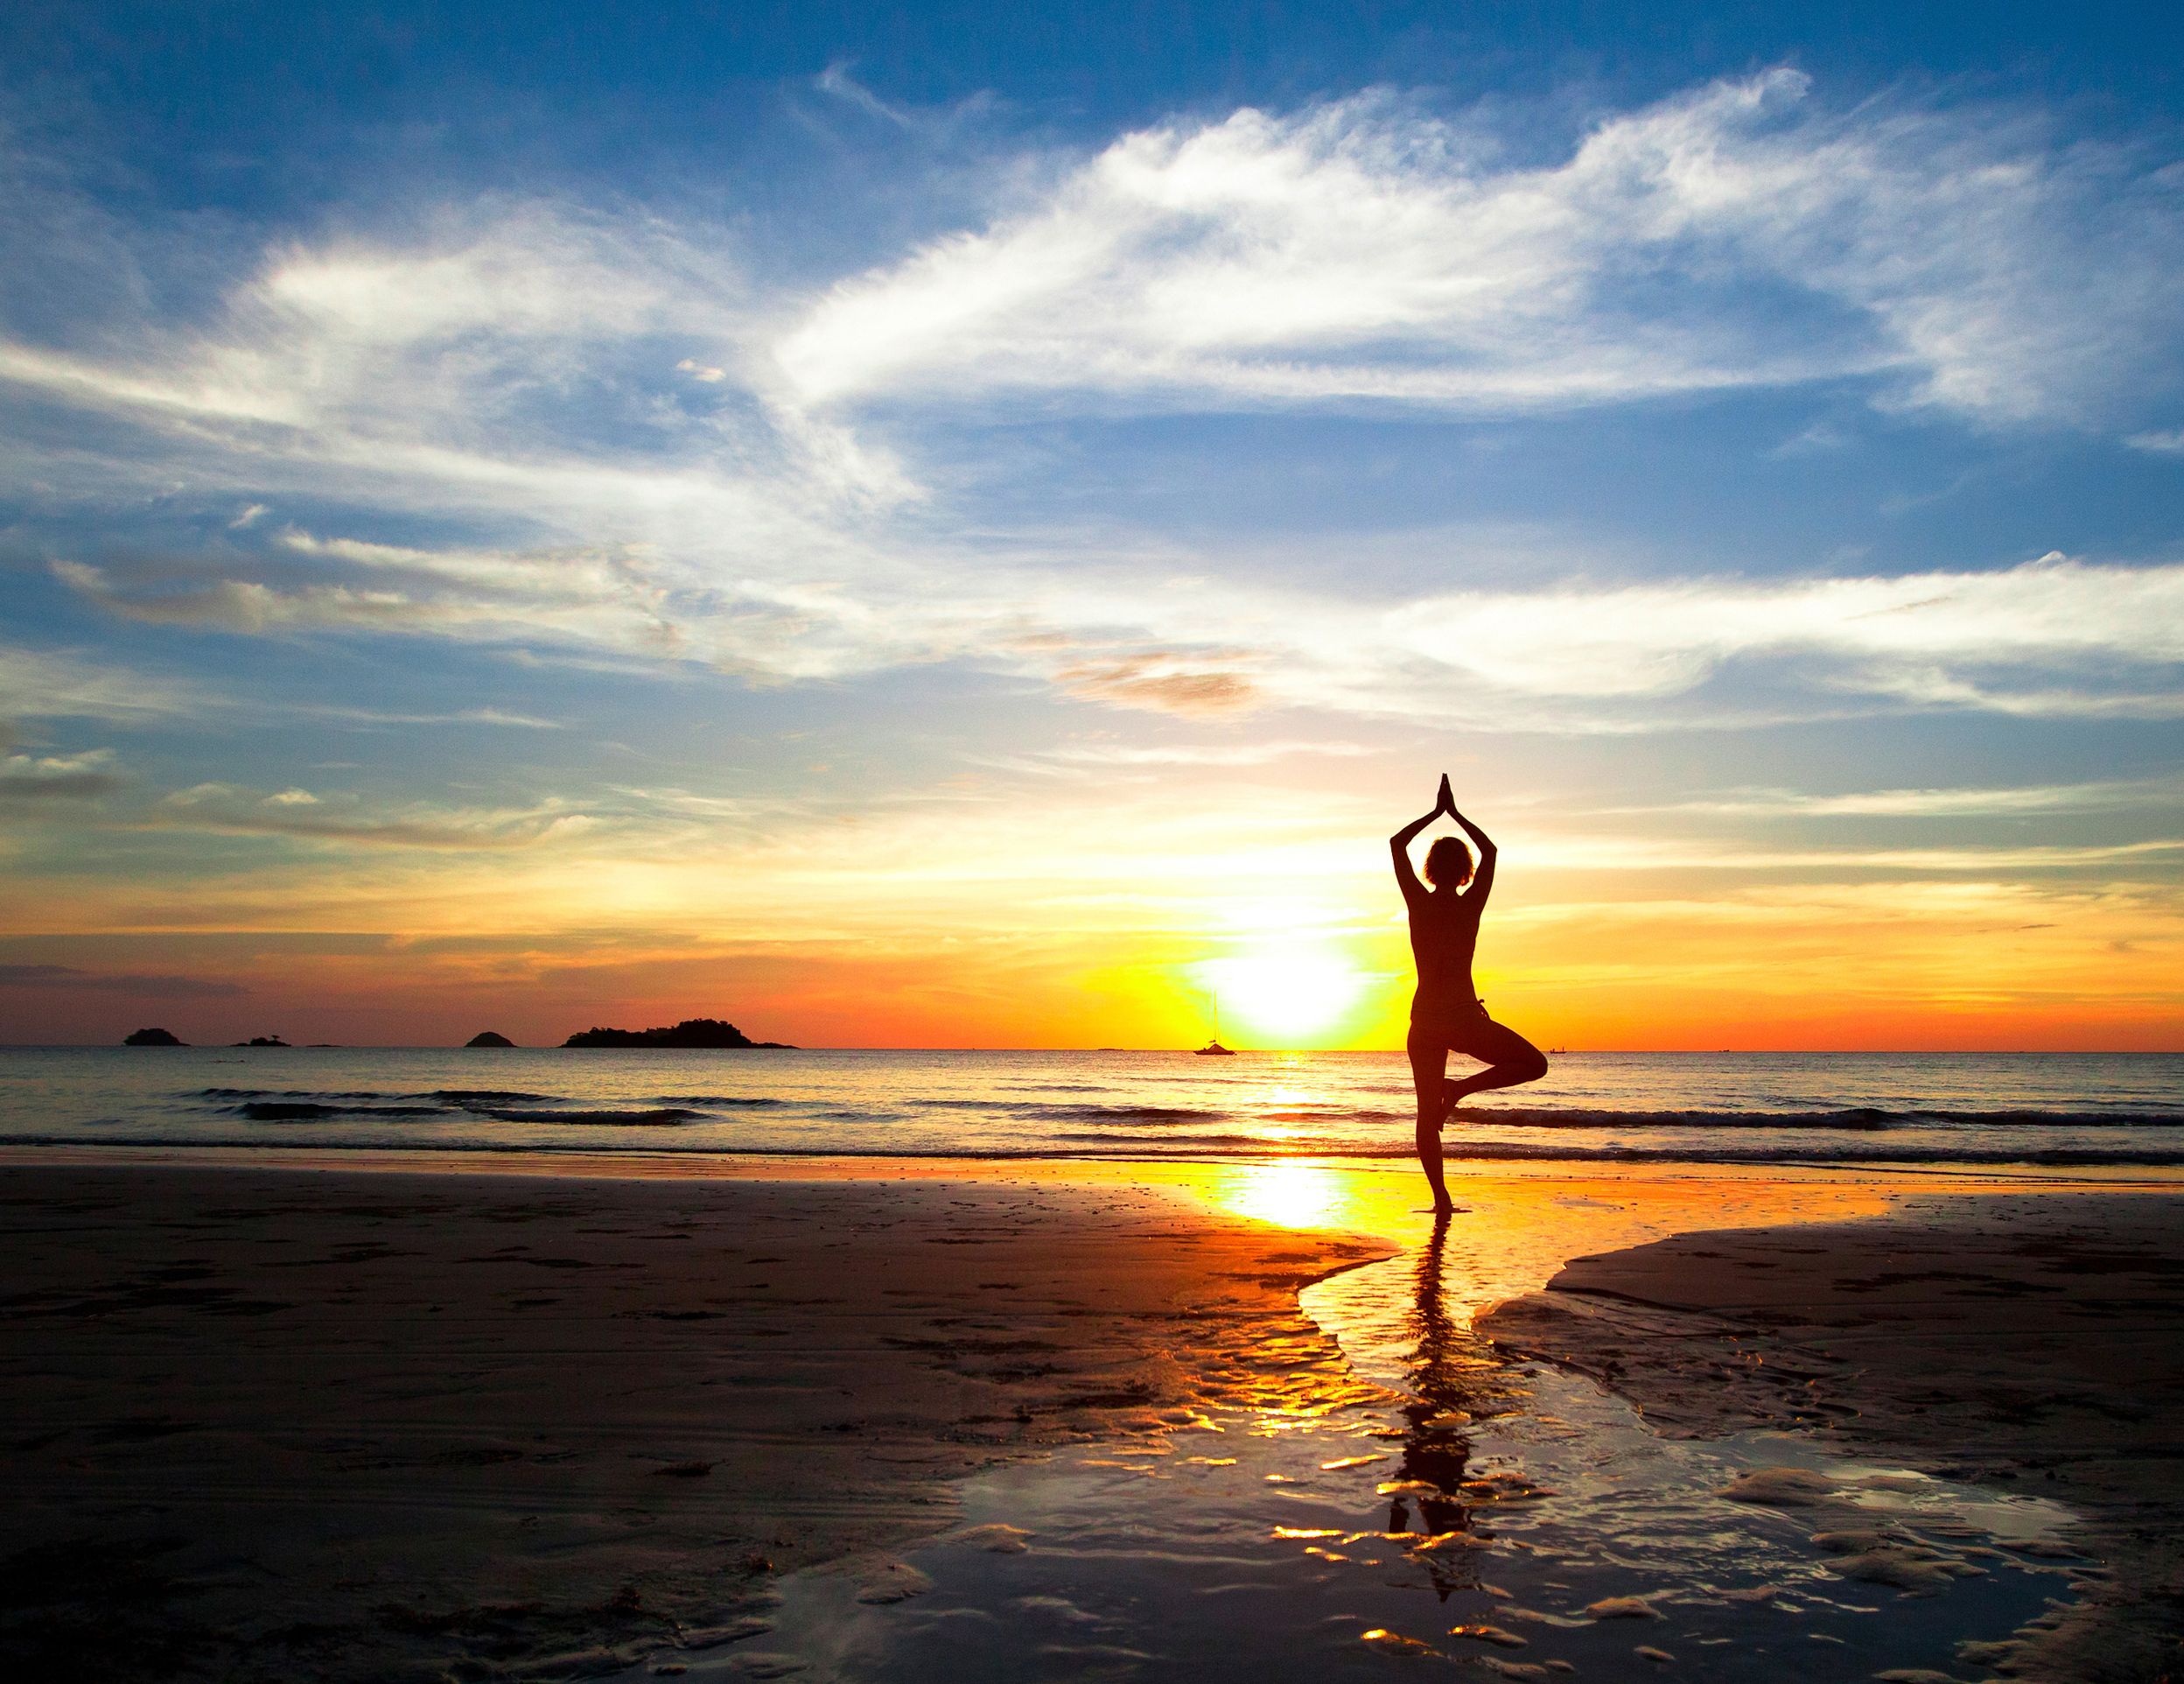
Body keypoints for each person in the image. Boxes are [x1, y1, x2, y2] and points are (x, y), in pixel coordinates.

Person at [1390, 775, 1548, 1212]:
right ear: (1465, 871)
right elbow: (1491, 852)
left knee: (1426, 1113)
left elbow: (1396, 844)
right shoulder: (1469, 904)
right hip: (1460, 1017)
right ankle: (1458, 1089)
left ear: (1429, 870)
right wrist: (1456, 814)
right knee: (1534, 1064)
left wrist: (1435, 814)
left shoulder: (1418, 903)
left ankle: (1441, 1200)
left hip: (1425, 1019)